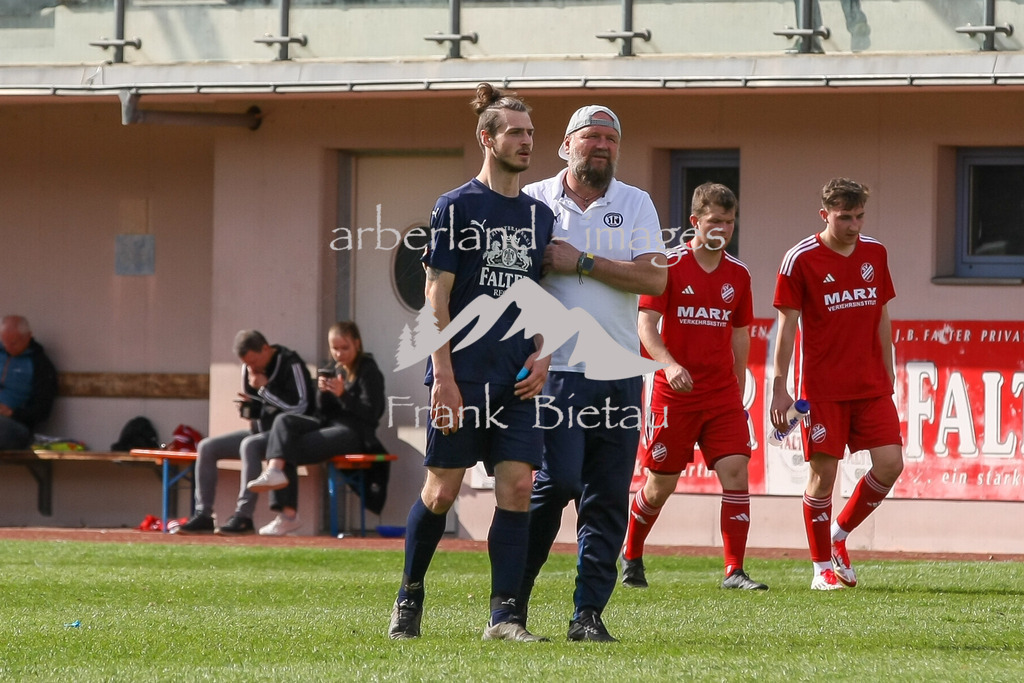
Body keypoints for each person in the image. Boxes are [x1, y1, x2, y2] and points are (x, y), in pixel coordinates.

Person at [387, 83, 554, 642]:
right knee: (441, 491)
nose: (527, 142)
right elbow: (436, 299)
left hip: (517, 381)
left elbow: (536, 298)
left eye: (531, 133)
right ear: (486, 138)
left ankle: (504, 617)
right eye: (515, 132)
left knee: (518, 488)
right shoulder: (456, 206)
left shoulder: (538, 214)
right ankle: (409, 597)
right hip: (463, 375)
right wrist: (445, 378)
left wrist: (544, 354)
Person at [517, 105, 667, 642]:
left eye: (610, 138)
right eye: (591, 137)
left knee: (606, 496)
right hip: (556, 370)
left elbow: (655, 277)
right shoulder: (532, 199)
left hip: (619, 373)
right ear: (566, 145)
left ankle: (588, 615)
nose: (601, 145)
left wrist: (581, 261)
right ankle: (511, 604)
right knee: (553, 484)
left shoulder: (635, 202)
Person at [622, 183, 767, 592]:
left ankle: (734, 571)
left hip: (721, 394)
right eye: (714, 220)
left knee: (736, 472)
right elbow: (645, 325)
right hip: (675, 393)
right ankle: (632, 553)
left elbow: (741, 333)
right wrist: (667, 366)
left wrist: (738, 384)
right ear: (695, 223)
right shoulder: (667, 266)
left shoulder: (738, 274)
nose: (722, 228)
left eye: (729, 221)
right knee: (660, 483)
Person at [770, 177, 903, 590]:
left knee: (890, 464)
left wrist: (890, 366)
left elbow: (881, 313)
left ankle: (839, 535)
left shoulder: (875, 252)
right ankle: (820, 569)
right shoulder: (800, 259)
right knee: (823, 475)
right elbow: (786, 328)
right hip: (823, 390)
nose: (853, 225)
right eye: (845, 217)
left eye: (859, 216)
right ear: (825, 214)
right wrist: (779, 385)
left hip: (870, 384)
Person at [247, 321, 389, 536]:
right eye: (335, 348)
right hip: (327, 425)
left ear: (357, 344)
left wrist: (344, 394)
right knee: (284, 422)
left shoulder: (369, 371)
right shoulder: (332, 368)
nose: (339, 354)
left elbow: (372, 413)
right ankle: (276, 474)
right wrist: (322, 393)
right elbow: (321, 413)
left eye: (344, 348)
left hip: (355, 433)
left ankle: (288, 516)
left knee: (287, 447)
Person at [174, 330, 315, 535]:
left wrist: (265, 390)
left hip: (283, 437)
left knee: (249, 445)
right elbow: (261, 407)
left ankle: (243, 516)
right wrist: (250, 408)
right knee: (207, 446)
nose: (252, 368)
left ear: (266, 349)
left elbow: (300, 407)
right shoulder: (248, 370)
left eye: (254, 362)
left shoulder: (290, 363)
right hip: (259, 430)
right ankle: (203, 514)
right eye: (247, 364)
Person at [0, 315, 58, 450]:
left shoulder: (40, 365)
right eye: (4, 342)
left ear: (28, 336)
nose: (8, 347)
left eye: (13, 343)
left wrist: (11, 412)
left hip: (16, 427)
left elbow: (42, 411)